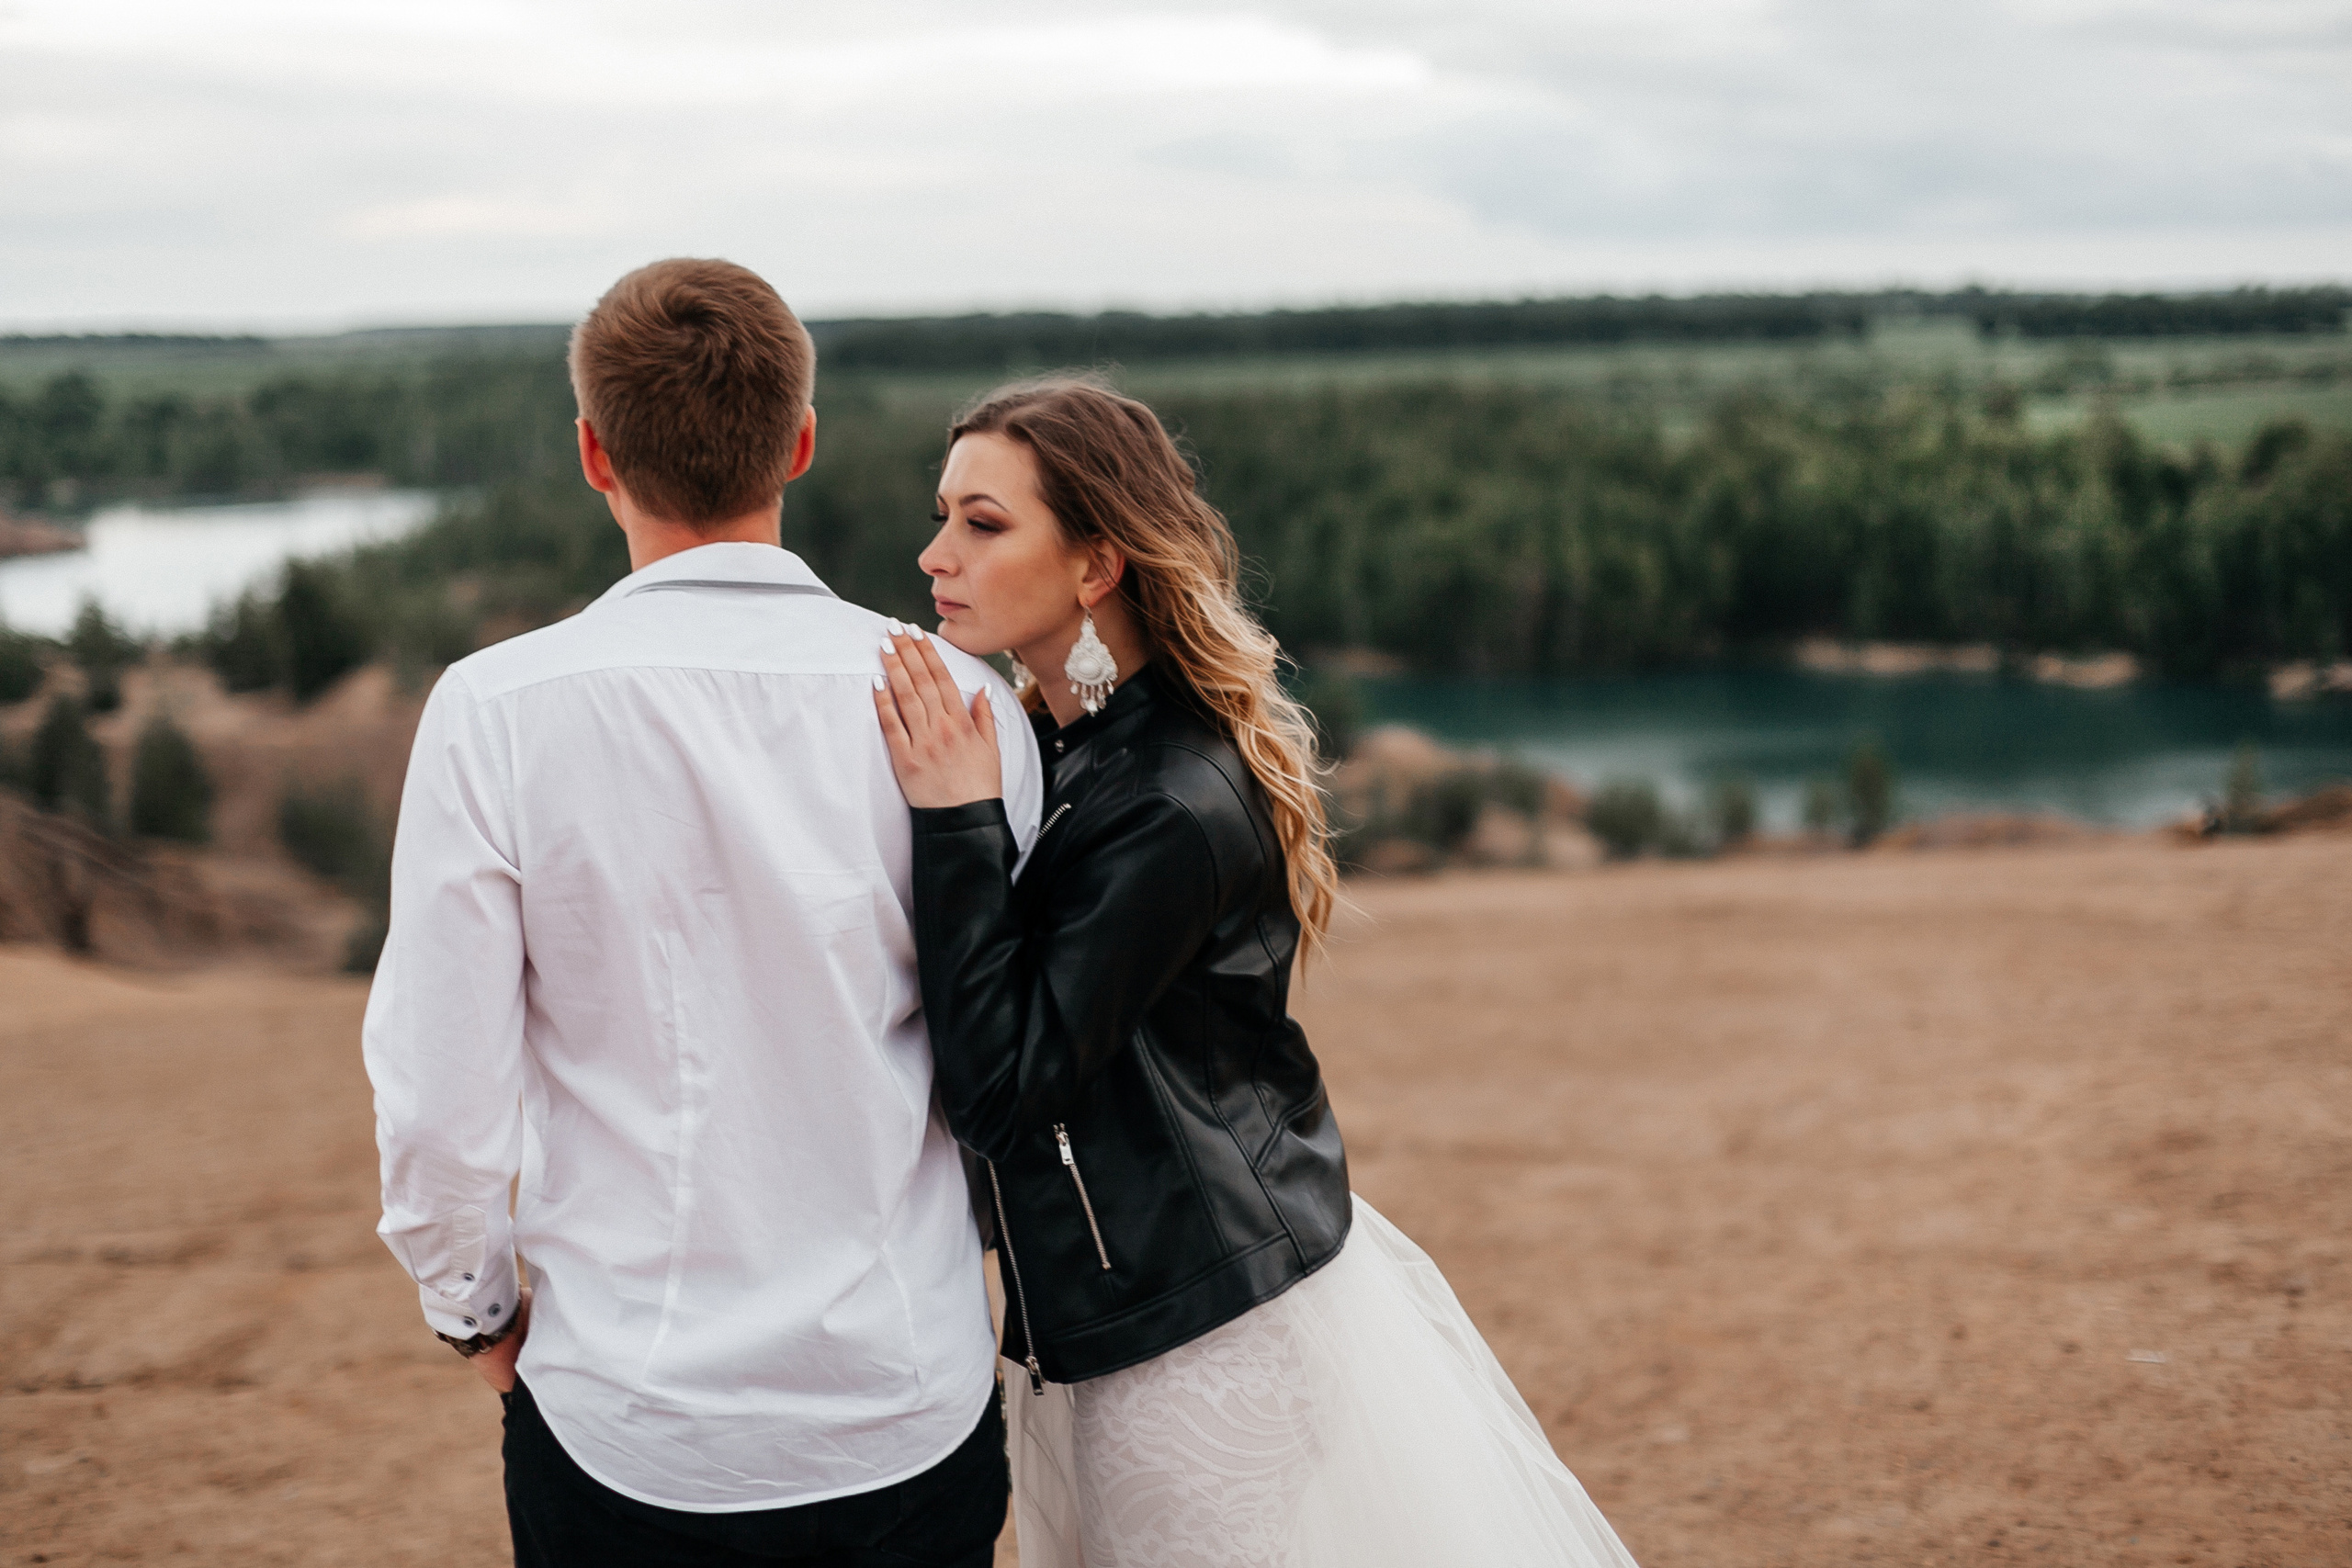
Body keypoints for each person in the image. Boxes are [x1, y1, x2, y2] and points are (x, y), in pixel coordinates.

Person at [872, 377, 1642, 1567]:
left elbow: (1004, 1091)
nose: (935, 554)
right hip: (1116, 1321)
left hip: (1199, 1343)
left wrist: (957, 823)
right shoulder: (1062, 749)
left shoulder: (1169, 800)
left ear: (1094, 567)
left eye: (982, 523)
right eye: (942, 516)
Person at [362, 257, 1042, 1567]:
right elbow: (1003, 1050)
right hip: (905, 1406)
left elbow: (440, 1101)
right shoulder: (958, 701)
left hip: (629, 1418)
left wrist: (476, 1313)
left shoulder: (495, 710)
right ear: (798, 445)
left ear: (590, 452)